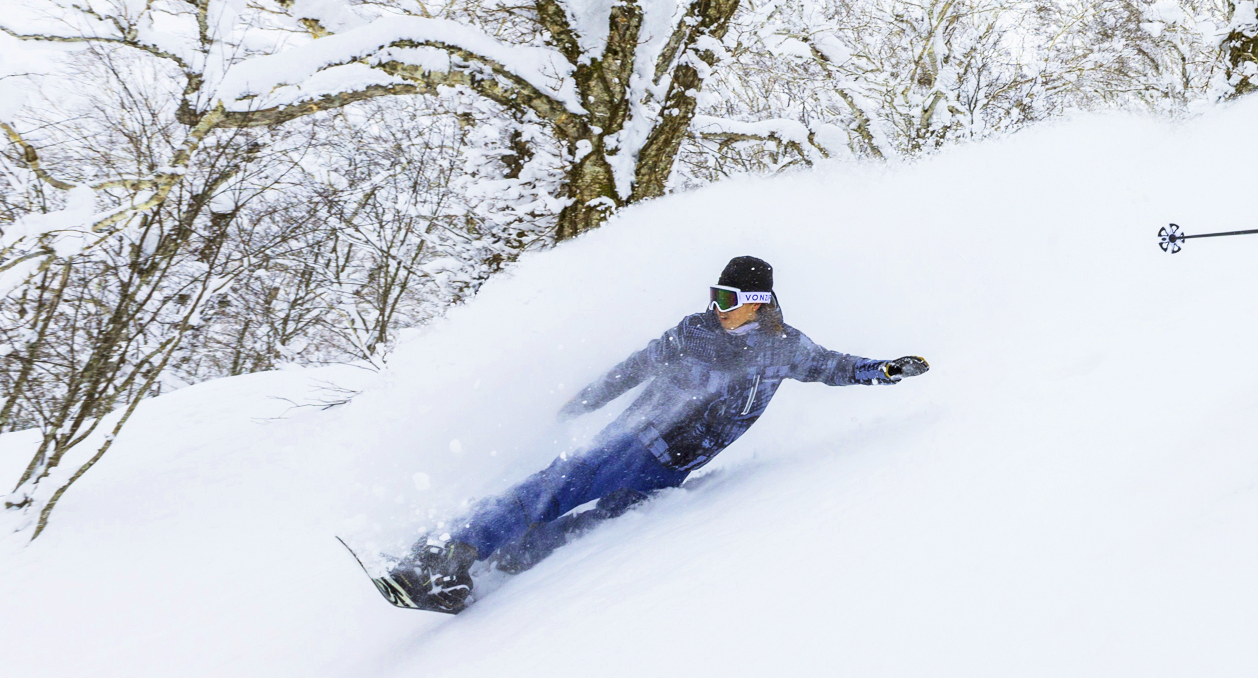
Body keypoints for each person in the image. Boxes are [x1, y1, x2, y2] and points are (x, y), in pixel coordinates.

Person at [365, 256, 929, 614]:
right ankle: (442, 557)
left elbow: (834, 367)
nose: (716, 306)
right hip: (633, 441)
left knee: (593, 528)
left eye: (727, 299)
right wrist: (583, 400)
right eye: (715, 294)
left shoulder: (786, 348)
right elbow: (638, 365)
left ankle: (486, 570)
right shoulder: (695, 333)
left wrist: (884, 370)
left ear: (757, 305)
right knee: (552, 487)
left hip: (673, 469)